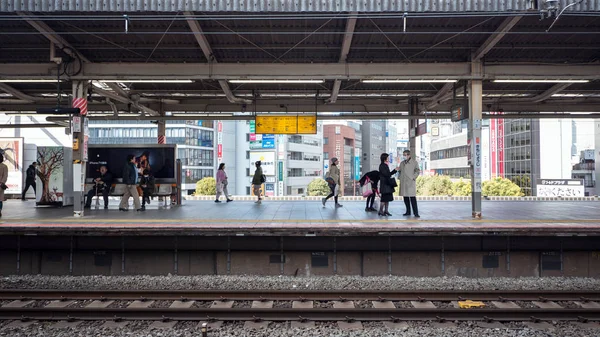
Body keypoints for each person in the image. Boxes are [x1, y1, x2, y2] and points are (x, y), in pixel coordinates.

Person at [399, 149, 421, 218]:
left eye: (405, 155)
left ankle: (416, 213)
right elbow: (400, 171)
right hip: (403, 182)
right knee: (405, 197)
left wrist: (413, 177)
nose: (404, 156)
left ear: (409, 155)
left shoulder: (414, 162)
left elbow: (417, 171)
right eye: (403, 155)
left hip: (410, 182)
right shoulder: (402, 163)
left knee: (412, 198)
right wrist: (400, 177)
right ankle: (408, 211)